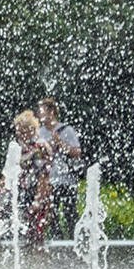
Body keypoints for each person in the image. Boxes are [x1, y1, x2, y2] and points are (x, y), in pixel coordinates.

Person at [36, 98, 82, 239]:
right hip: (49, 181)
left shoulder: (66, 130)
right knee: (52, 214)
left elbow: (77, 152)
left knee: (70, 213)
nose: (39, 113)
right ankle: (58, 243)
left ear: (52, 111)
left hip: (67, 180)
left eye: (42, 109)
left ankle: (75, 242)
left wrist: (59, 142)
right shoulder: (39, 132)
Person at [15, 110, 52, 246]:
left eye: (22, 130)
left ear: (31, 130)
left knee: (37, 237)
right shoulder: (20, 147)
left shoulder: (39, 147)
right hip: (24, 193)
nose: (19, 133)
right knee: (24, 238)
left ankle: (39, 265)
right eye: (18, 130)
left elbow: (44, 175)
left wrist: (38, 199)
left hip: (37, 195)